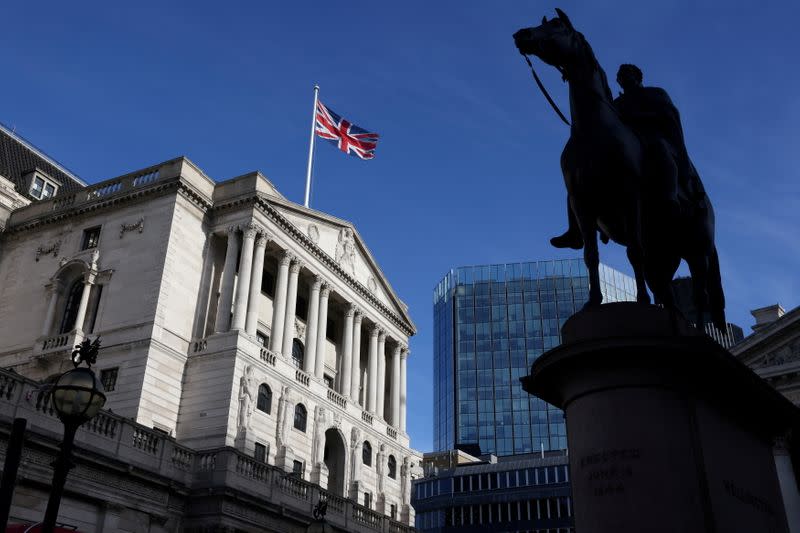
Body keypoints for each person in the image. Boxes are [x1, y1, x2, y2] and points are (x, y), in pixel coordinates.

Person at [550, 64, 705, 249]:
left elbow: (669, 116)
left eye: (627, 73)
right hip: (628, 148)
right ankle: (576, 231)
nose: (622, 77)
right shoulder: (617, 104)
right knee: (580, 180)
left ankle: (669, 199)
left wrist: (639, 118)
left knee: (661, 150)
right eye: (620, 75)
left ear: (638, 76)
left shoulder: (656, 93)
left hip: (652, 139)